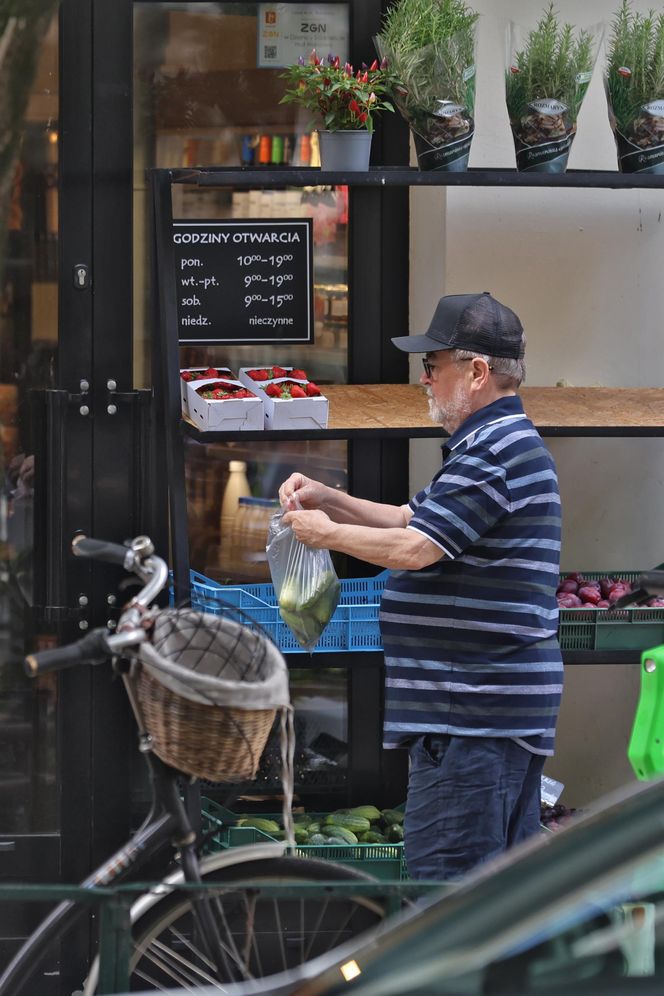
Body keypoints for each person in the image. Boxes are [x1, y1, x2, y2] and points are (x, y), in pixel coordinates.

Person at [279, 291, 563, 882]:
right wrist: (330, 499)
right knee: (485, 903)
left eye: (434, 366)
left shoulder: (494, 451)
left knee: (445, 898)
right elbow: (412, 519)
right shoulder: (489, 445)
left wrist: (325, 534)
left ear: (478, 372)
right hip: (480, 720)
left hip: (473, 721)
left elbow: (416, 549)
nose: (425, 379)